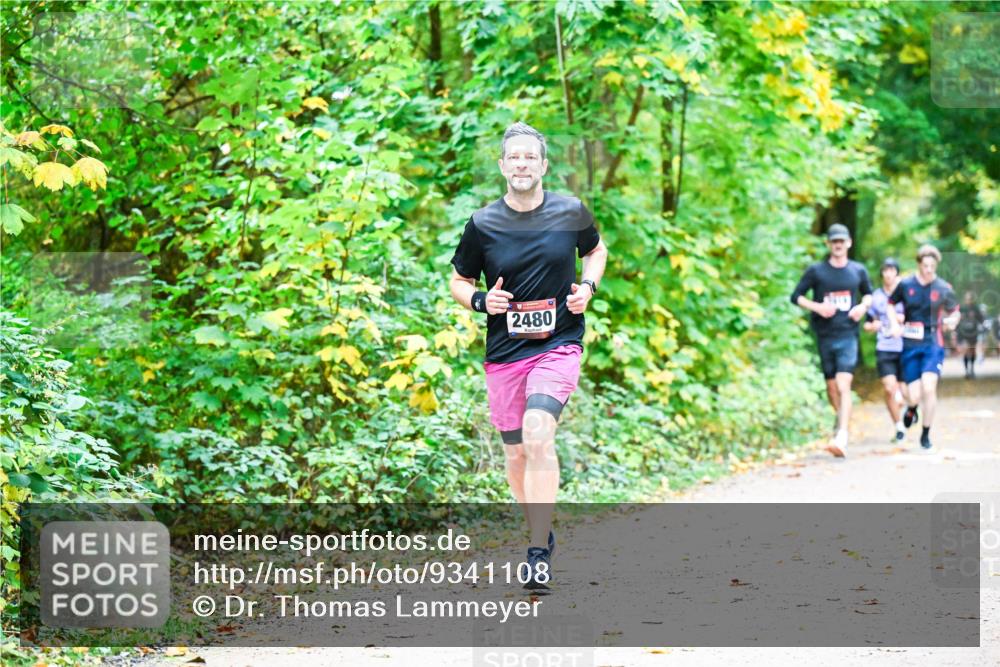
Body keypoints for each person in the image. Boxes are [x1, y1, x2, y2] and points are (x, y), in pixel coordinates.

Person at [448, 122, 608, 592]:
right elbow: (459, 281)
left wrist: (587, 288)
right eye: (513, 157)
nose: (521, 164)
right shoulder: (482, 223)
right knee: (516, 453)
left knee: (539, 436)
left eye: (529, 157)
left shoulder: (571, 212)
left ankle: (537, 553)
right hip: (504, 353)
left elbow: (595, 253)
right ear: (503, 166)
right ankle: (542, 530)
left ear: (543, 166)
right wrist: (481, 302)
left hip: (558, 345)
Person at [791, 223, 873, 458]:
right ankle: (841, 421)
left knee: (843, 384)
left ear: (849, 243)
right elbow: (795, 297)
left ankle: (842, 435)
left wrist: (862, 307)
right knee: (831, 388)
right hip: (825, 335)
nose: (838, 245)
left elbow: (869, 293)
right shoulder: (816, 271)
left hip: (848, 334)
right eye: (833, 241)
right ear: (828, 244)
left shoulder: (858, 271)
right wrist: (817, 307)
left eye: (841, 241)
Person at [888, 244, 960, 450]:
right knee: (914, 394)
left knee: (929, 387)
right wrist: (894, 323)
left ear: (936, 265)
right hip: (910, 344)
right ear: (919, 264)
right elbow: (890, 304)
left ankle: (926, 434)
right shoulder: (906, 284)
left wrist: (952, 321)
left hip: (932, 342)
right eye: (925, 265)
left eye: (932, 266)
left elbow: (955, 311)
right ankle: (911, 408)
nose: (929, 269)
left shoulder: (943, 287)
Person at [863, 258, 908, 441]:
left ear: (897, 273)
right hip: (885, 347)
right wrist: (873, 325)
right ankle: (899, 427)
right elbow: (867, 324)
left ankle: (909, 410)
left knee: (906, 391)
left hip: (906, 347)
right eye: (885, 270)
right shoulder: (876, 297)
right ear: (882, 273)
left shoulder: (906, 293)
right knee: (890, 389)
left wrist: (902, 319)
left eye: (892, 270)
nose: (888, 274)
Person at [956, 291, 986, 379]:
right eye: (967, 298)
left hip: (973, 334)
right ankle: (966, 371)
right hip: (964, 333)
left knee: (972, 351)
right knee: (966, 350)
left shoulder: (976, 309)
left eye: (970, 298)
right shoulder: (961, 308)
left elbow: (981, 320)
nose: (968, 300)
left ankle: (972, 369)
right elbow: (957, 320)